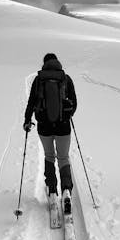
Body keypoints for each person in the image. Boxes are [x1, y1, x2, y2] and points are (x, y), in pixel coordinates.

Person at [24, 53, 77, 213]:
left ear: (45, 63)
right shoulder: (66, 79)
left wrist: (27, 120)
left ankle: (52, 191)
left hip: (44, 127)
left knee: (49, 156)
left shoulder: (39, 80)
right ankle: (66, 191)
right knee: (63, 157)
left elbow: (31, 102)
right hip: (63, 126)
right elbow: (74, 102)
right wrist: (67, 115)